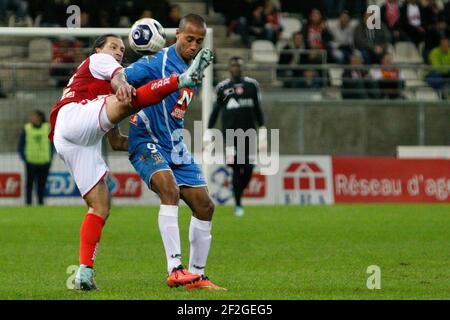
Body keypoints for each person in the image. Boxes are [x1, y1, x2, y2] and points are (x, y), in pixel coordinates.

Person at [49, 33, 212, 291]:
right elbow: (119, 78)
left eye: (122, 49)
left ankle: (83, 274)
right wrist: (124, 84)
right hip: (74, 117)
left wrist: (149, 143)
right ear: (98, 48)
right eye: (113, 46)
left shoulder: (98, 93)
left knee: (100, 206)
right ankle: (182, 79)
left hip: (74, 140)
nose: (118, 52)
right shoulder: (98, 60)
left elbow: (116, 141)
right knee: (130, 99)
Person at [124, 14, 225, 291]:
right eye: (189, 39)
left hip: (175, 145)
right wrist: (121, 90)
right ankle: (175, 269)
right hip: (147, 141)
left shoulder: (194, 67)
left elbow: (176, 111)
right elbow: (122, 76)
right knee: (170, 190)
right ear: (177, 34)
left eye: (199, 41)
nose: (193, 45)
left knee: (205, 206)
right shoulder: (158, 60)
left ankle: (198, 276)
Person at [208, 56, 265, 217]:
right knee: (235, 168)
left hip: (250, 134)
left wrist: (262, 128)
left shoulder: (251, 86)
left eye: (238, 65)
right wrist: (209, 130)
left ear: (242, 67)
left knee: (248, 168)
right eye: (233, 65)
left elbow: (258, 109)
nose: (236, 68)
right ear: (229, 68)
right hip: (231, 136)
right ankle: (238, 204)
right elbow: (215, 110)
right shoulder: (223, 88)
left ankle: (237, 193)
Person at [17, 110, 53, 206]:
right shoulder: (27, 128)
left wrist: (51, 156)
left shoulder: (47, 127)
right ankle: (28, 204)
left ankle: (40, 204)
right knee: (29, 185)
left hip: (44, 161)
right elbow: (21, 144)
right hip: (30, 161)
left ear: (40, 117)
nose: (32, 118)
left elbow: (53, 143)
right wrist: (24, 157)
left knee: (41, 185)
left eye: (34, 116)